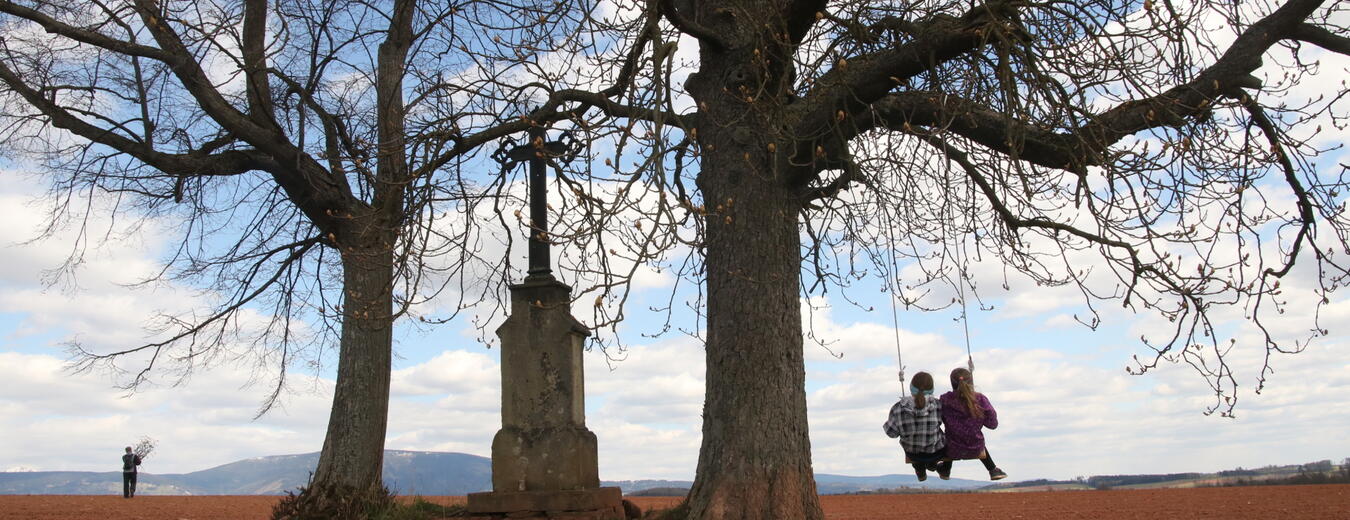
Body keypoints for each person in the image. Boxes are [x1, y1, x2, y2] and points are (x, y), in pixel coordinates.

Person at [939, 367, 1007, 480]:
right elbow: (992, 424)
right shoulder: (980, 399)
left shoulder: (945, 399)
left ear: (952, 383)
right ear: (971, 382)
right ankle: (993, 470)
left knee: (950, 436)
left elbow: (937, 420)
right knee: (973, 437)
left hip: (951, 449)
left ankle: (945, 469)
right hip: (976, 447)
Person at [883, 371, 951, 481]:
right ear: (932, 389)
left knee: (913, 446)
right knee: (947, 441)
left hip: (912, 453)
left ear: (911, 387)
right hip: (936, 452)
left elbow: (891, 433)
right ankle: (938, 468)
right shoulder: (938, 405)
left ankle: (920, 470)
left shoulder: (898, 407)